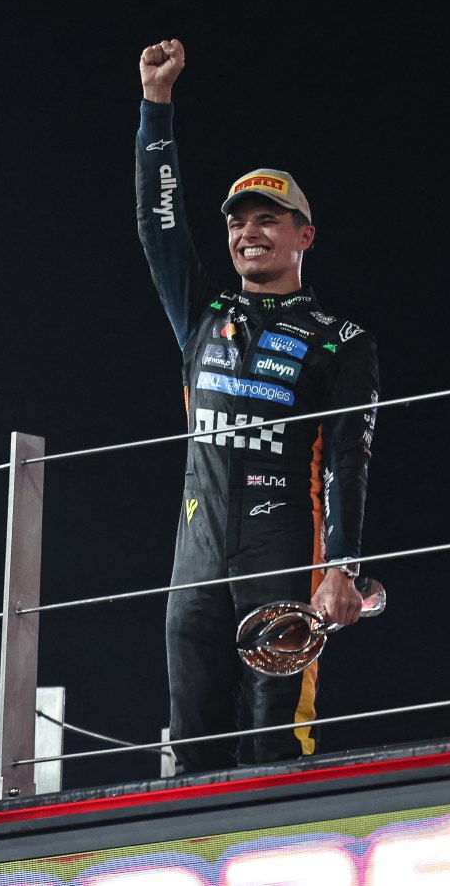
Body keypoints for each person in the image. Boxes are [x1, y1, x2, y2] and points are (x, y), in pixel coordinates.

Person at [136, 38, 379, 774]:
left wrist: (343, 566)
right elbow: (160, 225)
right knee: (192, 734)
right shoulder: (200, 315)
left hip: (285, 555)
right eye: (239, 221)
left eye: (268, 219)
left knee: (279, 737)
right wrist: (156, 110)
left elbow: (350, 458)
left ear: (303, 236)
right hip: (197, 553)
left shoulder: (342, 340)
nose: (249, 232)